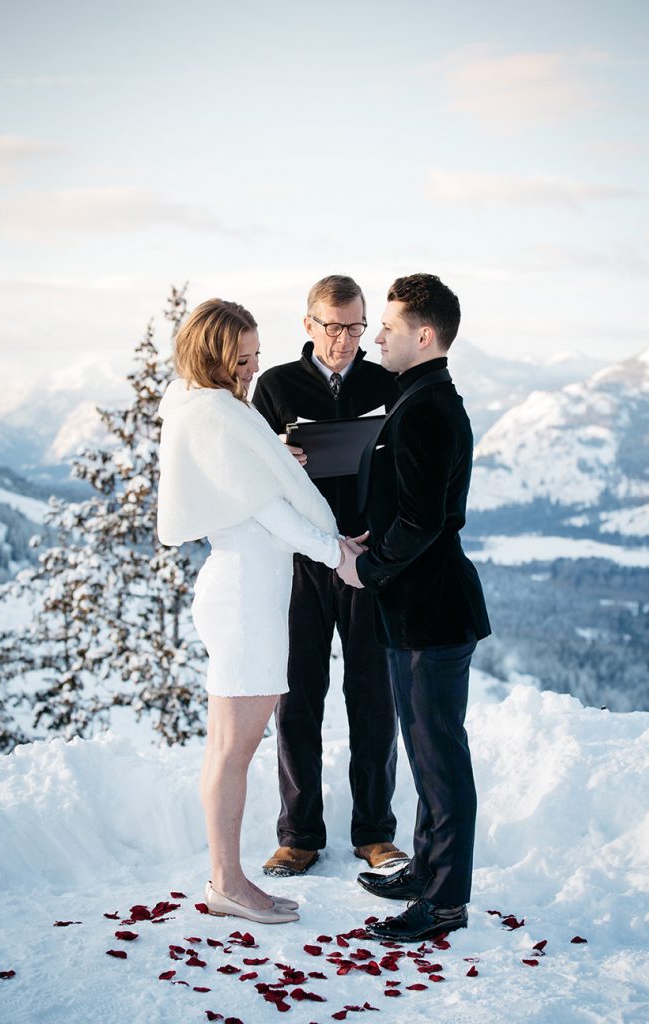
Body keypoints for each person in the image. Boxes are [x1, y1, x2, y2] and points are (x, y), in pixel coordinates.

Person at [157, 297, 351, 925]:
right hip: (244, 596)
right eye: (239, 360)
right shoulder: (215, 415)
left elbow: (253, 482)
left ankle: (226, 879)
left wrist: (277, 459)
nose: (250, 370)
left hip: (246, 591)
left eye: (255, 357)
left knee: (228, 746)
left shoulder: (216, 410)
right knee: (234, 749)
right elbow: (267, 511)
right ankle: (228, 882)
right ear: (211, 357)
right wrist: (335, 553)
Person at [337, 273, 491, 942]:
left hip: (432, 612)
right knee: (426, 750)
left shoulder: (429, 407)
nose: (375, 338)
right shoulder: (419, 398)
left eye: (388, 329)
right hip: (412, 611)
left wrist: (366, 567)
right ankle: (424, 870)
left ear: (423, 336)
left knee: (439, 758)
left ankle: (445, 902)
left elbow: (424, 519)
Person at [251, 275, 406, 877]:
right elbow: (251, 473)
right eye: (333, 327)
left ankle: (374, 832)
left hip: (367, 562)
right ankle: (299, 836)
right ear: (308, 325)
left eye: (356, 326)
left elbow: (404, 468)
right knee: (297, 699)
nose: (345, 340)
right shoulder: (276, 386)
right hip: (301, 564)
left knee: (373, 697)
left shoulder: (385, 383)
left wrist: (382, 545)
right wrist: (277, 458)